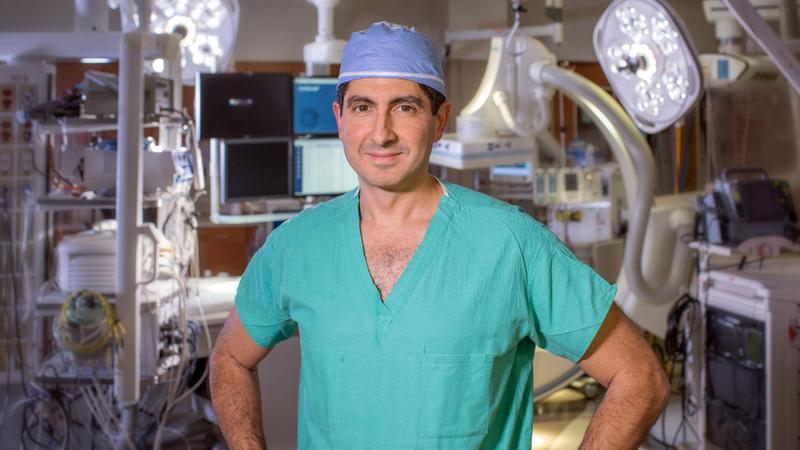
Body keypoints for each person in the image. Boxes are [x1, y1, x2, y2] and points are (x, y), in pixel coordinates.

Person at [210, 21, 670, 450]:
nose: (381, 133)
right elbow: (229, 359)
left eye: (404, 108)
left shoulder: (512, 245)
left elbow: (640, 378)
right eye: (363, 107)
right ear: (339, 117)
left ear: (440, 119)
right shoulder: (296, 246)